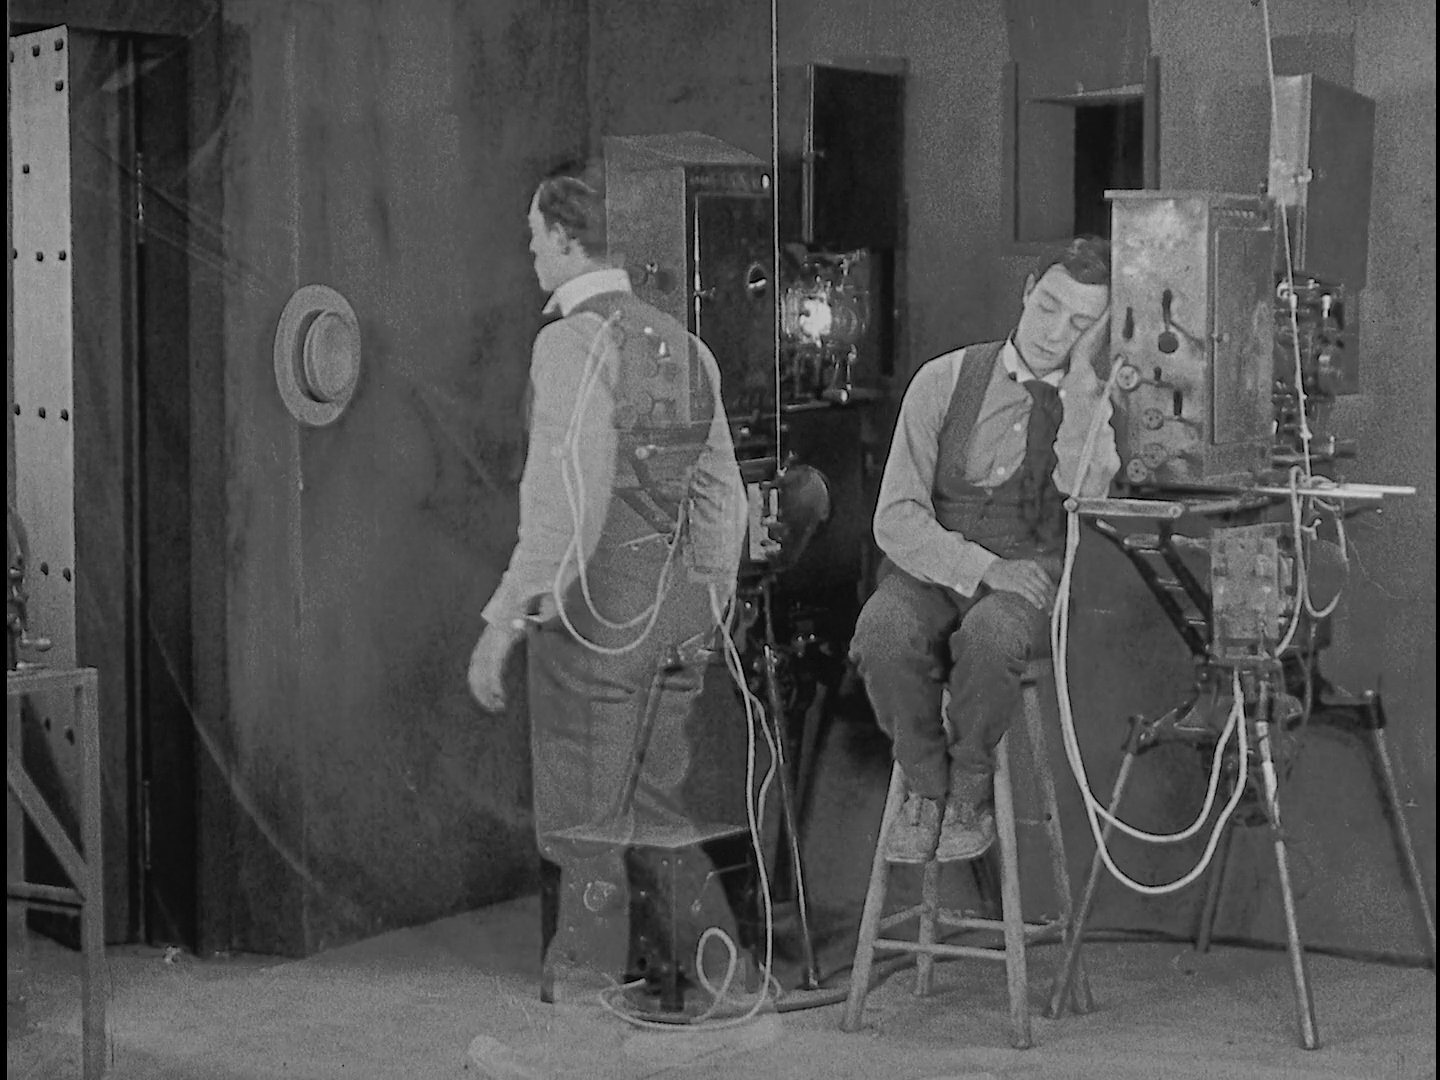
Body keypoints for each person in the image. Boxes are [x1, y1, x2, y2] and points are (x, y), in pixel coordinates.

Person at [467, 160, 750, 999]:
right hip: (676, 612)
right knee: (658, 812)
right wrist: (705, 605)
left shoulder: (568, 342)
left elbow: (564, 504)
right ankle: (725, 980)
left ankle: (587, 997)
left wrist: (504, 620)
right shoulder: (687, 346)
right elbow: (722, 500)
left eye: (535, 237)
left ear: (564, 238)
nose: (530, 253)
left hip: (595, 618)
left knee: (584, 822)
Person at [850, 236, 1117, 864]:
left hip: (1031, 572)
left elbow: (1089, 497)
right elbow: (895, 517)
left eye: (1082, 325)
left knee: (993, 636)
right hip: (935, 568)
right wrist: (983, 567)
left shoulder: (1094, 403)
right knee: (882, 630)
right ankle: (925, 787)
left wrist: (1083, 383)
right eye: (1048, 307)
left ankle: (970, 793)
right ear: (1026, 292)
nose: (1055, 332)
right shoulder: (942, 380)